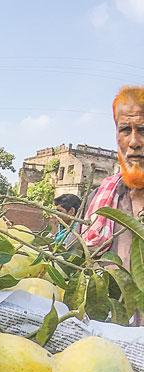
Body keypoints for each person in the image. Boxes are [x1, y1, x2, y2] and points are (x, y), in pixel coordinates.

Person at [82, 86, 144, 266]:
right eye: (125, 129)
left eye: (143, 130)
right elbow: (72, 257)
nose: (134, 142)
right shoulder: (99, 199)